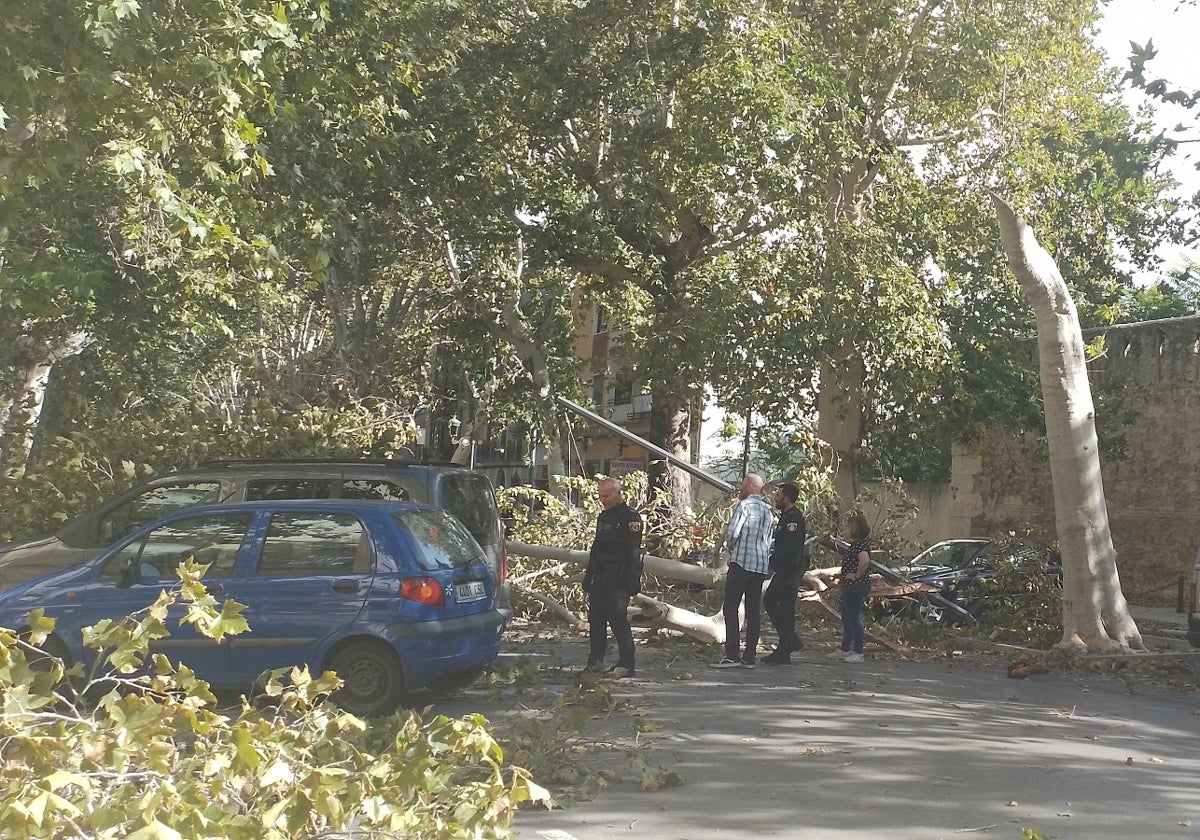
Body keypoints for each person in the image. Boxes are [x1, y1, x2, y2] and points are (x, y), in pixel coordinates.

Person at [582, 477, 644, 677]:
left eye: (606, 496)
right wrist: (589, 575)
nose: (602, 499)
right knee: (596, 619)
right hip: (601, 576)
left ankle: (627, 663)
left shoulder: (630, 518)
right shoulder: (604, 517)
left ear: (617, 493)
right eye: (600, 496)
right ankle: (595, 661)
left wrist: (633, 580)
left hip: (619, 578)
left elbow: (634, 552)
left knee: (618, 620)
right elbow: (596, 548)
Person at [713, 473, 774, 668]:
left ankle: (732, 654)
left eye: (742, 484)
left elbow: (733, 533)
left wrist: (730, 546)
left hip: (741, 563)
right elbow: (768, 539)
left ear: (749, 486)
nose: (740, 487)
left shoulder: (744, 505)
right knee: (753, 611)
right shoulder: (768, 510)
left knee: (731, 607)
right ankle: (750, 656)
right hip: (759, 566)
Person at [762, 482, 808, 665]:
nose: (776, 497)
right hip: (785, 568)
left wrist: (772, 567)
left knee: (781, 606)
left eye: (779, 494)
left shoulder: (794, 519)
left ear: (787, 497)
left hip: (790, 569)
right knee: (775, 603)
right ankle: (788, 643)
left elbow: (789, 548)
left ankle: (787, 643)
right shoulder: (786, 517)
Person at [831, 510, 873, 663]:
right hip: (849, 585)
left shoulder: (860, 545)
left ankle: (858, 651)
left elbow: (865, 561)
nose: (846, 529)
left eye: (849, 527)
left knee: (854, 618)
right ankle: (845, 648)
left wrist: (856, 575)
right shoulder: (855, 545)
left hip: (856, 585)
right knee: (846, 617)